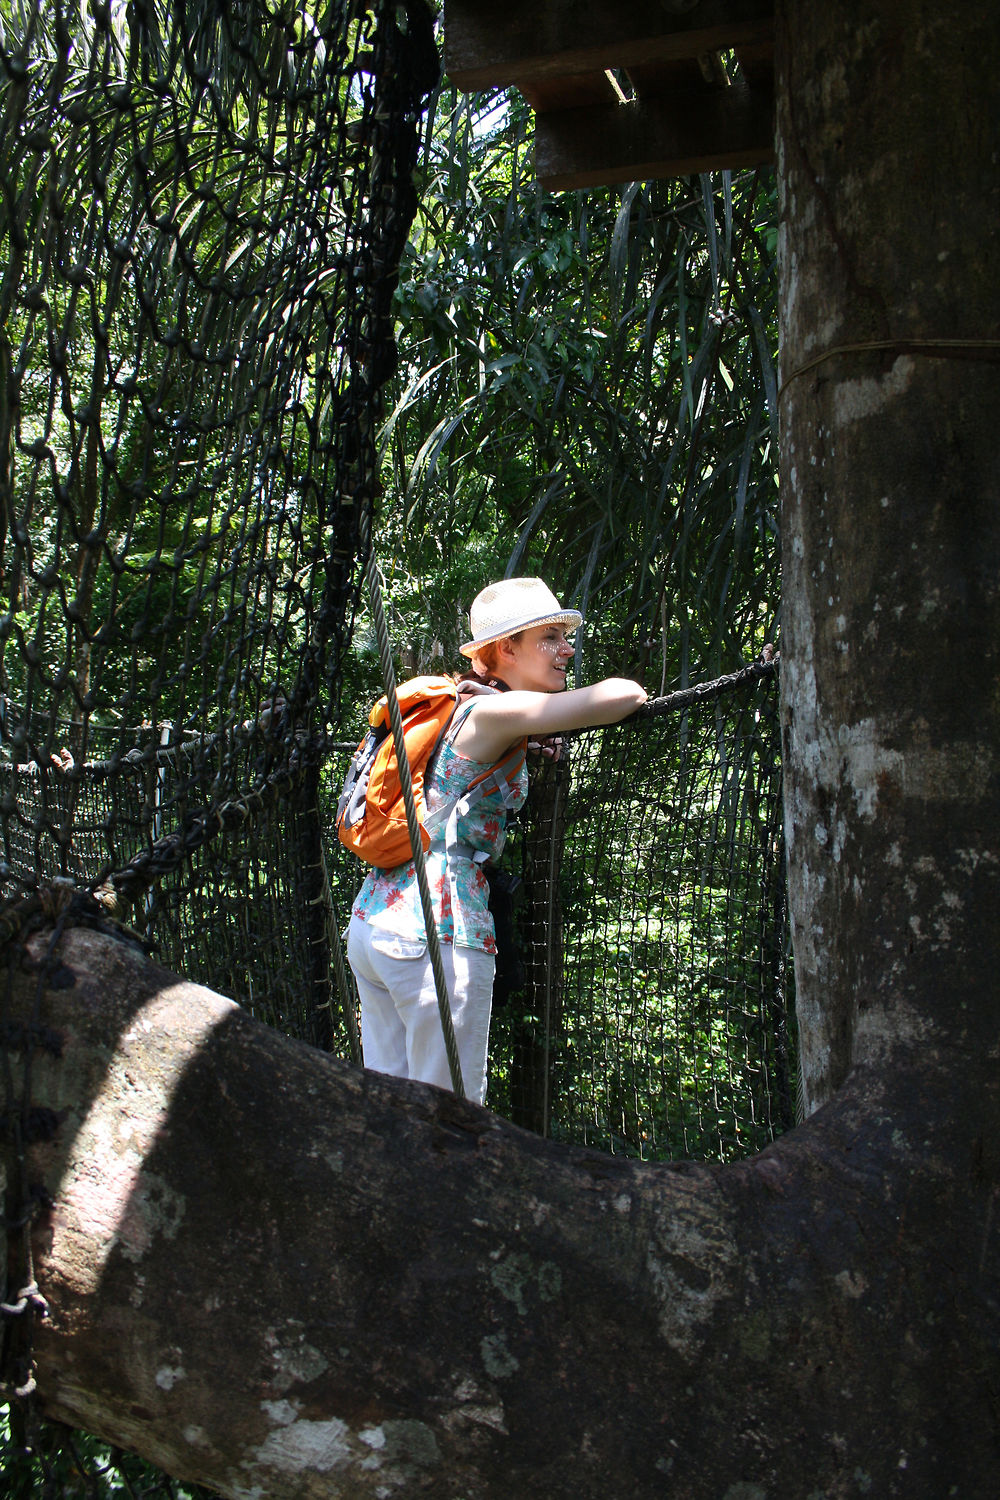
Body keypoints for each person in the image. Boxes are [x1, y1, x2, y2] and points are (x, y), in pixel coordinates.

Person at [346, 577, 647, 1104]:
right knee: (448, 1117)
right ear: (506, 649)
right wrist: (525, 725)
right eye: (549, 637)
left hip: (374, 925)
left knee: (389, 1108)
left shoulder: (462, 711)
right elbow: (624, 695)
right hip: (437, 935)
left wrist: (524, 737)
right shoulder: (493, 713)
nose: (567, 649)